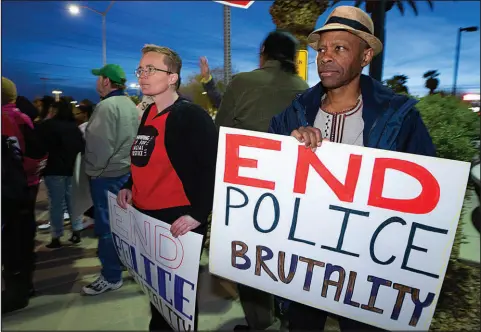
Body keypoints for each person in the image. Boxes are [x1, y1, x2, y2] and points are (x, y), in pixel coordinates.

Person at [269, 6, 435, 331]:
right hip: (304, 256)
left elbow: (426, 193)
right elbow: (265, 173)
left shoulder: (399, 117)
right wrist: (289, 146)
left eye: (340, 48)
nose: (325, 57)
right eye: (322, 49)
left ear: (365, 55)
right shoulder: (295, 112)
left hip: (366, 264)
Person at [116, 44, 217, 331]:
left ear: (173, 77)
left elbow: (211, 167)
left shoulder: (190, 116)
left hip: (177, 222)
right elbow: (144, 159)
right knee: (157, 293)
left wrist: (198, 214)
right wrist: (129, 185)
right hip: (146, 219)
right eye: (140, 69)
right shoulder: (148, 114)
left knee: (177, 300)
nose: (143, 75)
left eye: (151, 69)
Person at [215, 30, 309, 331]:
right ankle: (285, 318)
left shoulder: (243, 82)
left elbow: (221, 135)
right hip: (289, 191)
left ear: (263, 53)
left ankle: (260, 322)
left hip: (246, 191)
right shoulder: (303, 87)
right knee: (281, 255)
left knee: (250, 258)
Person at [82, 64, 139, 295]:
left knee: (107, 228)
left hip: (107, 175)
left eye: (99, 78)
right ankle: (125, 265)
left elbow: (98, 146)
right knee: (124, 225)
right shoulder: (131, 105)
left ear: (106, 82)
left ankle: (111, 275)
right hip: (126, 174)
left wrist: (93, 171)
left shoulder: (106, 106)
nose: (97, 82)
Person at [1, 77, 47, 313]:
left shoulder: (5, 120)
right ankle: (24, 285)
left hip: (11, 189)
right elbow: (36, 153)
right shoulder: (22, 117)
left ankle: (16, 292)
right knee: (22, 238)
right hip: (25, 186)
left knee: (11, 242)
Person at [37, 99, 85, 247]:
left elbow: (40, 145)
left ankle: (56, 236)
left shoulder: (48, 126)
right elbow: (81, 147)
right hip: (71, 169)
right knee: (72, 202)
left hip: (53, 169)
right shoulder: (74, 127)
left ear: (55, 110)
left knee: (56, 204)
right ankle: (76, 231)